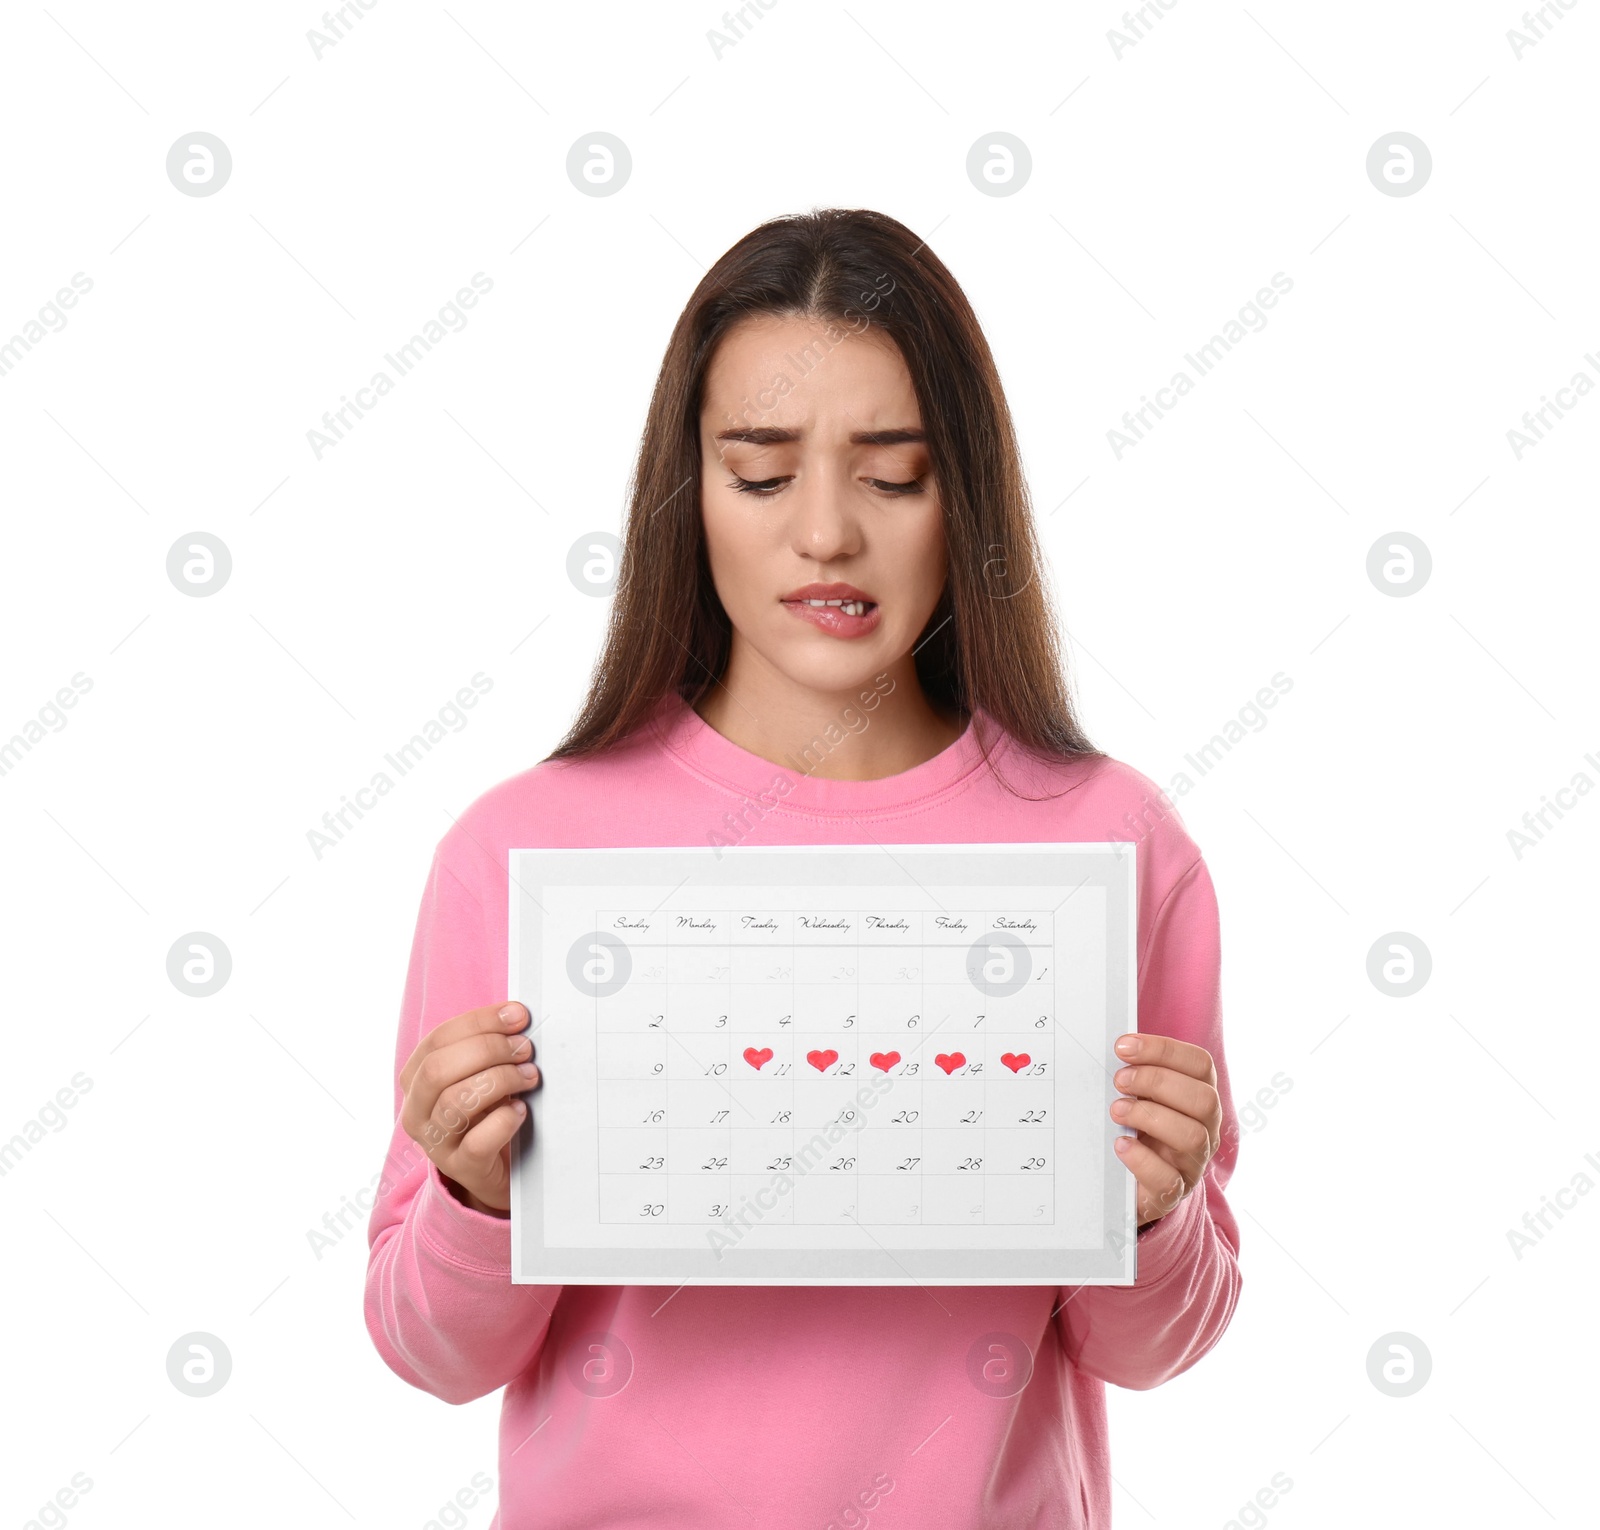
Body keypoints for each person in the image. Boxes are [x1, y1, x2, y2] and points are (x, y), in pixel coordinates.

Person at [364, 207, 1241, 1528]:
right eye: (762, 474)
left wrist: (1156, 1208)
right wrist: (478, 1196)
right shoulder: (521, 850)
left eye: (892, 473)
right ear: (689, 494)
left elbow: (1153, 1346)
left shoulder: (1112, 844)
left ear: (969, 494)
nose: (826, 532)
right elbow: (429, 1348)